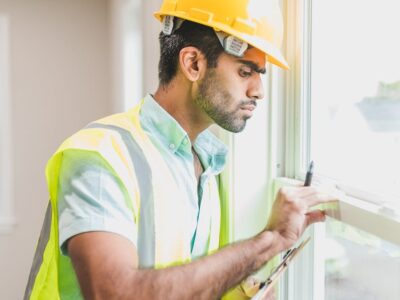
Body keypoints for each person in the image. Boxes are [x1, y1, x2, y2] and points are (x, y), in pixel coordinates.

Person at [24, 0, 336, 299]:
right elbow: (113, 294)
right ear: (193, 63)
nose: (259, 91)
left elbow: (178, 282)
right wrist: (270, 241)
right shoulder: (98, 157)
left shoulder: (208, 166)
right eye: (245, 72)